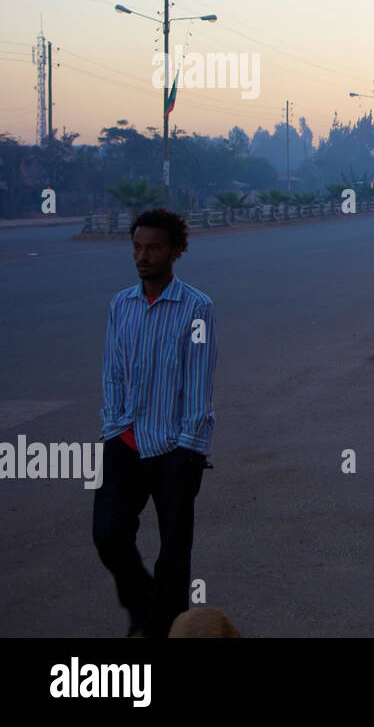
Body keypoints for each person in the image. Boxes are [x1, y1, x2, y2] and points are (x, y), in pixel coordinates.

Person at [94, 208, 216, 638]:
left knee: (173, 554)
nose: (143, 257)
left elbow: (198, 383)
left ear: (176, 251)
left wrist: (189, 447)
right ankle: (145, 608)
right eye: (137, 248)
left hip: (174, 450)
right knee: (108, 535)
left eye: (154, 248)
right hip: (124, 443)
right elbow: (112, 372)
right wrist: (113, 426)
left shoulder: (197, 307)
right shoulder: (120, 305)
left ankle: (164, 630)